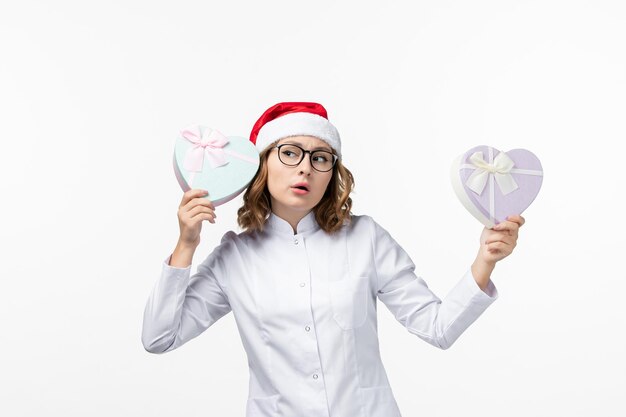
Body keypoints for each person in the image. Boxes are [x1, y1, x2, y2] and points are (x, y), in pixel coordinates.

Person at [142, 102, 524, 417]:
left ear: (331, 174)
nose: (305, 167)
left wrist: (485, 260)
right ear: (263, 165)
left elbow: (437, 328)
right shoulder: (234, 256)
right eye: (289, 153)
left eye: (320, 157)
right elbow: (159, 338)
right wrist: (186, 245)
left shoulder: (366, 239)